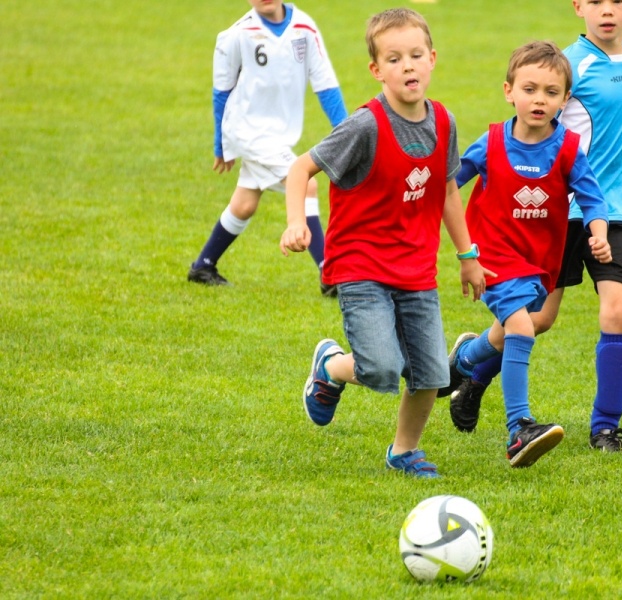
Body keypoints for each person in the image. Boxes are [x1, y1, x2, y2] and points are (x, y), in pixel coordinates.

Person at [447, 0, 622, 453]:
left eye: (617, 1)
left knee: (617, 310)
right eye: (595, 1)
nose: (607, 11)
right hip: (557, 212)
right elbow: (529, 135)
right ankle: (474, 374)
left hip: (612, 210)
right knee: (537, 320)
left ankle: (605, 428)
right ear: (578, 6)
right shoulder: (566, 63)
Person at [279, 8, 490, 478]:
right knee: (380, 368)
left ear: (432, 58)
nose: (407, 66)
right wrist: (296, 223)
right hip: (361, 267)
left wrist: (467, 256)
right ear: (377, 70)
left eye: (416, 55)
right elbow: (301, 168)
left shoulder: (444, 122)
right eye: (394, 59)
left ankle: (404, 452)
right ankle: (331, 366)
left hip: (417, 270)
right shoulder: (366, 126)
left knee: (432, 374)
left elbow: (448, 191)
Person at [443, 41, 611, 468]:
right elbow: (449, 183)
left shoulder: (568, 148)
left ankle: (462, 360)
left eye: (551, 92)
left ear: (565, 100)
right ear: (509, 91)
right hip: (491, 255)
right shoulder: (491, 142)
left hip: (539, 263)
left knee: (510, 331)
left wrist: (599, 234)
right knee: (521, 327)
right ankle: (519, 427)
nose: (539, 100)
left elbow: (593, 199)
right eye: (530, 89)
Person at [187, 0, 348, 294]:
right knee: (306, 183)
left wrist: (347, 131)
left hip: (276, 136)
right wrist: (220, 143)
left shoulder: (305, 28)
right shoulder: (237, 35)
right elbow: (221, 91)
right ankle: (329, 273)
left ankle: (203, 266)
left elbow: (326, 84)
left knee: (245, 204)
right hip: (247, 131)